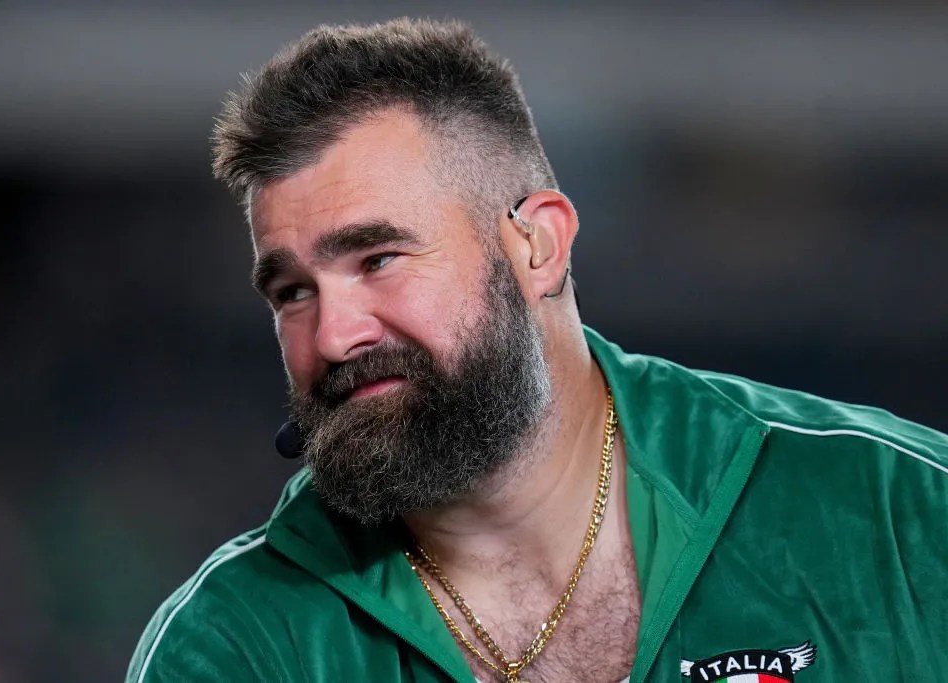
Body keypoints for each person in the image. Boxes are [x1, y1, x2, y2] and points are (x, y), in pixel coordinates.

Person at [127, 18, 948, 683]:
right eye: (292, 292)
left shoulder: (897, 514)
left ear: (537, 245)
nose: (334, 335)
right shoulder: (235, 646)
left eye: (378, 259)